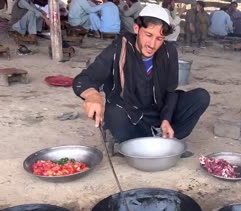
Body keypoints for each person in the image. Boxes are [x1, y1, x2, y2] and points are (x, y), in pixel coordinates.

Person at [72, 4, 210, 143]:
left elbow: (170, 92)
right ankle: (145, 141)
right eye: (148, 35)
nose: (152, 44)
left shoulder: (169, 52)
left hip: (158, 111)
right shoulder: (119, 48)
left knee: (200, 97)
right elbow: (84, 78)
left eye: (159, 39)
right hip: (130, 114)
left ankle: (165, 136)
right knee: (114, 114)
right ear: (137, 29)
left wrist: (166, 119)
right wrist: (92, 95)